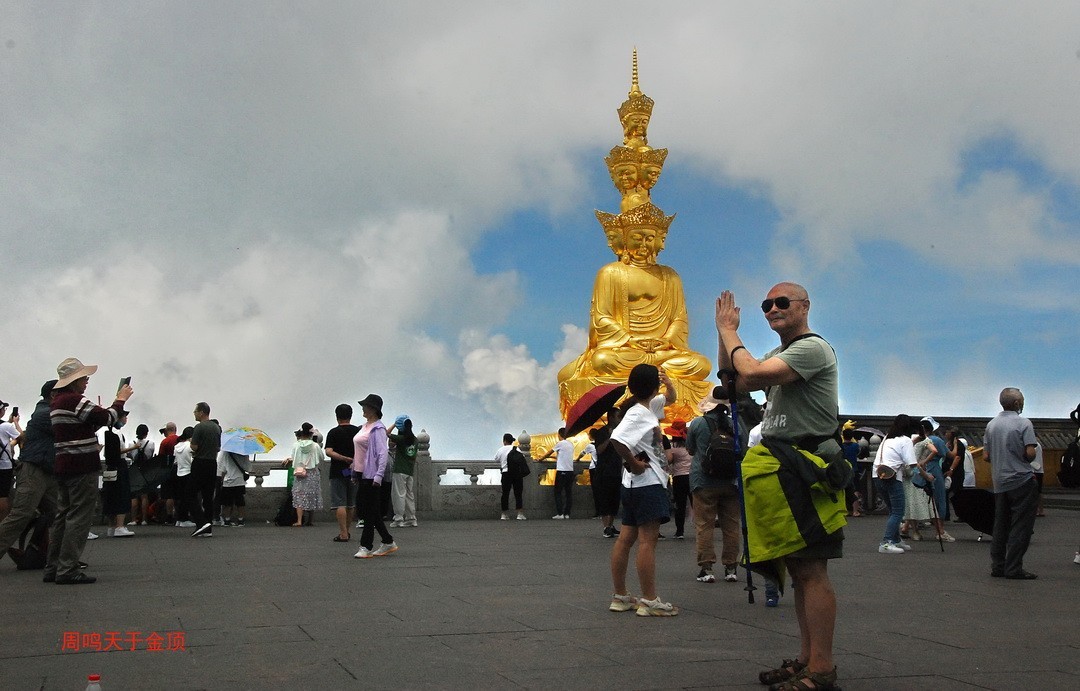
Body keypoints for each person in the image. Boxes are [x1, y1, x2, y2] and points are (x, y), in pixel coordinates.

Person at [715, 284, 845, 690]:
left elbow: (752, 373)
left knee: (812, 568)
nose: (773, 308)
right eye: (767, 305)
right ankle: (808, 658)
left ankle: (822, 668)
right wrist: (723, 333)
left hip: (807, 465)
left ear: (805, 306)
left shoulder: (812, 348)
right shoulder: (779, 353)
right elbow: (735, 383)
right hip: (783, 467)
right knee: (800, 568)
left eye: (782, 302)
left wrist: (730, 332)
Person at [47, 357, 133, 584]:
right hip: (81, 465)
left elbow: (86, 423)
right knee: (79, 517)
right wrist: (120, 400)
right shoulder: (74, 400)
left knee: (63, 516)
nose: (86, 381)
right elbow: (107, 417)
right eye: (84, 378)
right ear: (74, 380)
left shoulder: (57, 402)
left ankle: (53, 566)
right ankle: (68, 568)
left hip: (64, 464)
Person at [608, 363, 678, 617]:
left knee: (626, 539)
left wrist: (668, 383)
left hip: (635, 486)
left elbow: (671, 399)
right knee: (647, 541)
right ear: (653, 387)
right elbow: (617, 439)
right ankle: (649, 599)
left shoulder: (647, 408)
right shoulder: (638, 414)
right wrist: (634, 463)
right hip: (647, 483)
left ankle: (621, 596)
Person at [685, 387, 742, 584]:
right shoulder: (735, 423)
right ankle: (731, 568)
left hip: (703, 480)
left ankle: (707, 568)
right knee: (731, 525)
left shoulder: (698, 423)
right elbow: (742, 448)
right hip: (730, 481)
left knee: (704, 525)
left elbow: (690, 449)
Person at [0, 381, 59, 564]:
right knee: (21, 514)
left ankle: (61, 558)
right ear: (53, 395)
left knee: (60, 513)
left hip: (46, 468)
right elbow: (70, 429)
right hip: (35, 469)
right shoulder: (45, 414)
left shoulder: (45, 412)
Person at [984, 387, 1039, 579]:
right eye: (1021, 400)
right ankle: (1014, 567)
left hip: (999, 481)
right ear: (1016, 403)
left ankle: (998, 566)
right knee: (1021, 525)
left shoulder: (991, 425)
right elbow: (1030, 453)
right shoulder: (1023, 423)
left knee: (1000, 524)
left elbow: (986, 456)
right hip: (1021, 479)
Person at [352, 394, 397, 559]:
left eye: (366, 406)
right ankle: (388, 541)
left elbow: (382, 453)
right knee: (368, 509)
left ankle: (365, 546)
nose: (363, 409)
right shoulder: (365, 427)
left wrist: (379, 475)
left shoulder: (378, 429)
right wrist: (354, 471)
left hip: (371, 474)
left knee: (368, 512)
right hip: (361, 473)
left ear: (373, 409)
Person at [873, 415, 916, 554]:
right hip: (893, 477)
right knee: (898, 511)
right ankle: (886, 542)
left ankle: (896, 539)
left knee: (893, 510)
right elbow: (912, 463)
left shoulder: (887, 438)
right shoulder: (905, 440)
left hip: (877, 475)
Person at [324, 404, 360, 542]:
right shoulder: (357, 431)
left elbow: (329, 451)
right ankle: (348, 531)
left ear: (337, 416)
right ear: (351, 415)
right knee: (351, 503)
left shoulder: (333, 432)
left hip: (338, 471)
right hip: (355, 470)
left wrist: (343, 458)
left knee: (340, 503)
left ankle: (343, 533)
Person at [187, 402, 221, 538]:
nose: (194, 414)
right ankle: (208, 526)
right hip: (212, 463)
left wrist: (192, 443)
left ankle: (201, 522)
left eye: (195, 411)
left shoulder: (199, 427)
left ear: (201, 412)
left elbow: (194, 446)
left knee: (190, 494)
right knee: (208, 496)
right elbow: (218, 447)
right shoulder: (216, 427)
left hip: (200, 462)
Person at [100, 411, 135, 537]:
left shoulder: (107, 433)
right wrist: (134, 447)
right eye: (124, 417)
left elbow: (107, 453)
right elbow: (118, 451)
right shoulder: (117, 434)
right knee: (122, 495)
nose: (126, 419)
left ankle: (111, 527)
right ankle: (120, 526)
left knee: (110, 496)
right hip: (120, 465)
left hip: (110, 467)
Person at [593, 407, 623, 538]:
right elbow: (599, 450)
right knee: (605, 499)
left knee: (614, 499)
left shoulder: (620, 432)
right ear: (611, 418)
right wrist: (610, 437)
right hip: (604, 471)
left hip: (616, 469)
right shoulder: (602, 432)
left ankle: (611, 525)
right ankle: (606, 527)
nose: (620, 419)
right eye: (618, 416)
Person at [287, 422, 325, 526]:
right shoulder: (315, 446)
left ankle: (299, 520)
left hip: (299, 472)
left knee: (299, 495)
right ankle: (310, 520)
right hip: (312, 472)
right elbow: (321, 457)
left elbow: (293, 457)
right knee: (312, 494)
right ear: (311, 434)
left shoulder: (296, 445)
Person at [387, 416, 418, 528]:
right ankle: (411, 518)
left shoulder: (400, 438)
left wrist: (395, 424)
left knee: (398, 494)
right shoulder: (415, 440)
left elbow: (386, 433)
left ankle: (398, 518)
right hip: (410, 471)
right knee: (409, 494)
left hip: (399, 470)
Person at [539, 428, 575, 519]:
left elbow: (549, 452)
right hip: (570, 471)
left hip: (562, 471)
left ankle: (560, 513)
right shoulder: (570, 444)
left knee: (558, 492)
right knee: (568, 493)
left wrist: (541, 459)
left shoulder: (560, 443)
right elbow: (562, 456)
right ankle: (567, 514)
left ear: (559, 435)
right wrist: (553, 457)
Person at [665, 420, 691, 540]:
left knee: (680, 505)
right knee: (695, 504)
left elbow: (669, 460)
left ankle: (679, 531)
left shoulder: (673, 448)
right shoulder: (690, 446)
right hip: (691, 476)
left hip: (679, 478)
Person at [127, 424, 156, 526]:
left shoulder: (131, 444)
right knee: (144, 496)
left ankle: (133, 519)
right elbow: (151, 455)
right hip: (146, 470)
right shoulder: (151, 443)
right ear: (146, 433)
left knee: (134, 496)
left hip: (135, 470)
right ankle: (144, 519)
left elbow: (130, 456)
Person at [0, 400, 22, 523]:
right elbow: (21, 437)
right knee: (3, 495)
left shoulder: (5, 426)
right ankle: (2, 523)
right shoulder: (6, 427)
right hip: (4, 466)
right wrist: (15, 422)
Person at [496, 433, 526, 521]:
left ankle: (504, 514)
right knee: (518, 494)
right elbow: (522, 458)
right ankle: (520, 514)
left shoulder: (500, 450)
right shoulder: (517, 449)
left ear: (504, 441)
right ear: (511, 441)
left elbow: (496, 459)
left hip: (506, 473)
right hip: (516, 473)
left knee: (505, 494)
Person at [217, 449, 250, 527]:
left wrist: (221, 480)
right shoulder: (244, 452)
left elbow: (222, 469)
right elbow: (247, 468)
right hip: (239, 480)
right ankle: (240, 520)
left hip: (228, 481)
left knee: (227, 502)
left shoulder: (225, 452)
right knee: (240, 502)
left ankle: (227, 520)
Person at [156, 422, 180, 524]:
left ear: (167, 430)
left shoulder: (165, 442)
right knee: (178, 493)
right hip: (179, 468)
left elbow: (161, 457)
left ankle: (169, 516)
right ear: (175, 429)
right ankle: (180, 515)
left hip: (168, 469)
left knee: (169, 495)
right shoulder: (180, 440)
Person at [173, 427, 195, 528]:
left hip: (179, 473)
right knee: (187, 497)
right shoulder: (189, 446)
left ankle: (179, 519)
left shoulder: (177, 446)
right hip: (188, 472)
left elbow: (175, 461)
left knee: (181, 497)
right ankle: (184, 519)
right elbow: (192, 459)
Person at [577, 432, 600, 517]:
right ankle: (603, 512)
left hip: (594, 468)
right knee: (601, 491)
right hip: (602, 469)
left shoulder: (590, 446)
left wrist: (577, 459)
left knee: (596, 491)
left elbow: (582, 453)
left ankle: (598, 512)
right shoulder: (602, 444)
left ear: (590, 436)